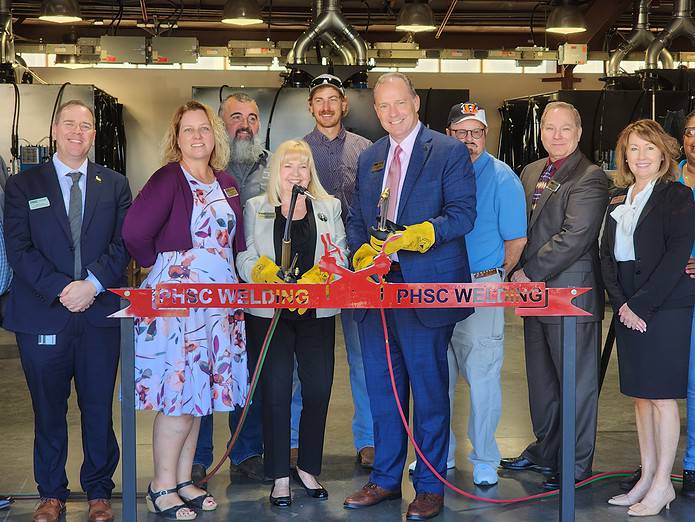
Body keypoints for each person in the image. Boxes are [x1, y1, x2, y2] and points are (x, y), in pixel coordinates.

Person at [344, 72, 476, 520]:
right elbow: (358, 217)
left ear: (415, 102)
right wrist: (362, 251)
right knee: (383, 390)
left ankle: (429, 485)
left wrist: (422, 235)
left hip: (425, 288)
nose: (392, 113)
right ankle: (384, 479)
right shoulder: (371, 157)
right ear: (375, 110)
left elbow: (462, 216)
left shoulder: (448, 151)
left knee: (428, 390)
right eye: (383, 106)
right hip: (377, 290)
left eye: (399, 103)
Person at [3, 100, 131, 522]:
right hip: (42, 313)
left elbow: (122, 245)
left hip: (98, 316)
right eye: (70, 124)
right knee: (48, 410)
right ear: (55, 130)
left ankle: (98, 492)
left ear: (95, 134)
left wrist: (91, 286)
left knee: (97, 408)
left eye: (87, 125)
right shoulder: (23, 186)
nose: (79, 131)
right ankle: (51, 494)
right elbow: (19, 250)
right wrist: (63, 290)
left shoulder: (113, 184)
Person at [122, 100, 247, 520]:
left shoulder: (227, 181)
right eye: (188, 130)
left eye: (204, 129)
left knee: (200, 397)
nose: (197, 136)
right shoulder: (167, 179)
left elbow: (237, 241)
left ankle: (180, 480)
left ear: (216, 137)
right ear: (176, 138)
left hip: (220, 304)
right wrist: (168, 267)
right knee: (178, 395)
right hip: (181, 304)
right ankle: (160, 486)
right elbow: (135, 232)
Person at [405, 102, 527, 486]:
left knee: (484, 375)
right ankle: (437, 452)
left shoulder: (503, 178)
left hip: (481, 283)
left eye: (476, 133)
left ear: (485, 136)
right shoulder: (432, 172)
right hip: (436, 286)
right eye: (461, 132)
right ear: (448, 134)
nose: (469, 140)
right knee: (435, 375)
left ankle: (486, 456)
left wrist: (494, 278)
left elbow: (516, 239)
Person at [500, 101, 608, 490]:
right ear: (541, 131)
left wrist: (525, 272)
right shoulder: (530, 171)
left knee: (575, 384)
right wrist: (511, 268)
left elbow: (573, 239)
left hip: (570, 294)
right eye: (549, 128)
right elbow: (518, 227)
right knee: (542, 381)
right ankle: (547, 450)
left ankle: (575, 466)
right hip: (532, 295)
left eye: (565, 129)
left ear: (579, 133)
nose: (556, 135)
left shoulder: (591, 177)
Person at [236, 139, 347, 507]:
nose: (296, 173)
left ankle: (308, 467)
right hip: (271, 314)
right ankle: (280, 474)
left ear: (310, 171)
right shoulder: (256, 207)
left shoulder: (328, 207)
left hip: (316, 313)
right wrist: (261, 271)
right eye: (288, 166)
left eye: (302, 167)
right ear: (276, 172)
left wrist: (324, 276)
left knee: (317, 389)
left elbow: (341, 256)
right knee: (276, 392)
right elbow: (244, 255)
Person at [600, 119, 695, 516]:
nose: (641, 156)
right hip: (627, 307)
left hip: (666, 307)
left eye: (649, 148)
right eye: (633, 148)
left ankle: (663, 484)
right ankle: (647, 476)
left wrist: (641, 305)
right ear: (624, 155)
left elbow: (677, 256)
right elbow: (607, 254)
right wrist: (622, 303)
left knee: (662, 397)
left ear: (663, 154)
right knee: (640, 396)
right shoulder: (618, 199)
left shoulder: (677, 196)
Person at [192, 92, 272, 484]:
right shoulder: (199, 170)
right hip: (209, 288)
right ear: (221, 124)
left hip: (257, 286)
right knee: (205, 368)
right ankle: (198, 456)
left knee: (251, 370)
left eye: (252, 118)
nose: (245, 124)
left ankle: (246, 451)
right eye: (236, 116)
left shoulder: (274, 169)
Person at [298, 73, 375, 468]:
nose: (326, 107)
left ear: (344, 105)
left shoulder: (367, 150)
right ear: (310, 108)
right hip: (311, 269)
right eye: (319, 100)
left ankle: (369, 440)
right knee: (303, 357)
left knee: (364, 356)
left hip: (357, 266)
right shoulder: (297, 152)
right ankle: (296, 439)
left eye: (333, 99)